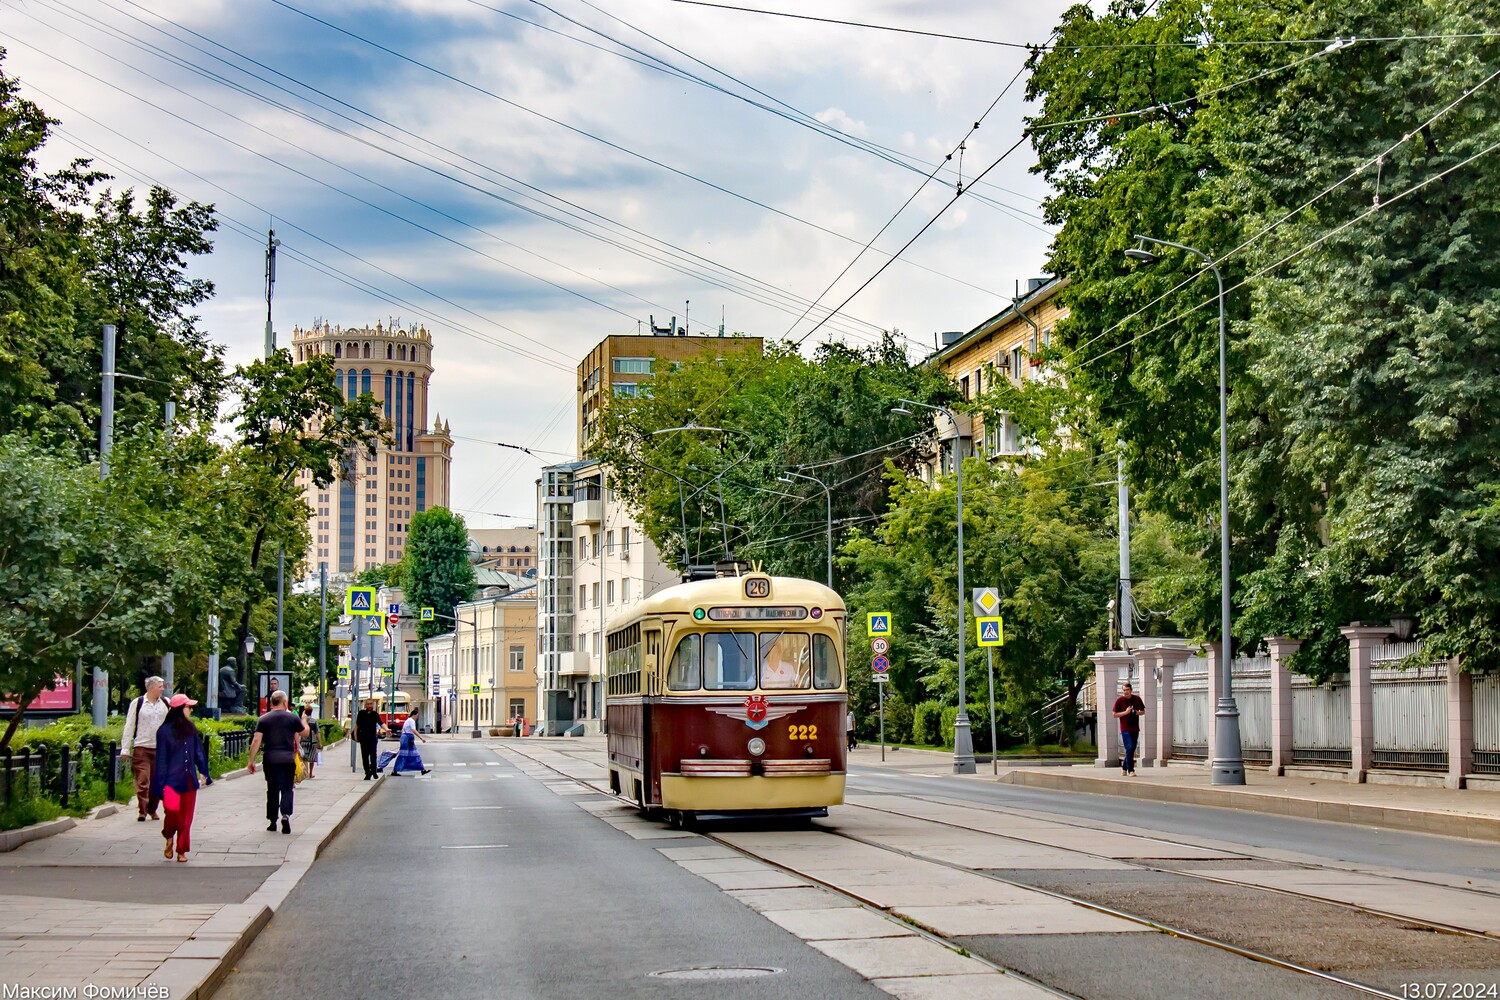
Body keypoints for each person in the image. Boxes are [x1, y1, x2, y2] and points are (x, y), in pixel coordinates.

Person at [150, 694, 212, 862]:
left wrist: (205, 772)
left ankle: (181, 850)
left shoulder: (191, 729)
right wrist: (160, 784)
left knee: (186, 818)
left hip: (189, 779)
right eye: (188, 707)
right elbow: (161, 758)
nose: (191, 710)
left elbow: (199, 752)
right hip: (170, 780)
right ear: (179, 710)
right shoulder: (163, 731)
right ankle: (168, 834)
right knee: (172, 811)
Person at [247, 690, 308, 834]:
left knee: (272, 789)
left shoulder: (263, 719)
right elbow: (304, 733)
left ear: (271, 703)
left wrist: (251, 760)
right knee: (287, 788)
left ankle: (272, 821)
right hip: (287, 759)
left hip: (270, 759)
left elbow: (256, 740)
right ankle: (286, 815)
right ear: (285, 702)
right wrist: (304, 720)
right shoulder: (292, 718)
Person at [119, 676, 168, 822]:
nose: (163, 688)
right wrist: (125, 749)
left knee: (156, 782)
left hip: (160, 749)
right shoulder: (138, 703)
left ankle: (153, 809)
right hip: (142, 748)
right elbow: (129, 725)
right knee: (143, 780)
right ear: (151, 687)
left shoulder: (166, 703)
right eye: (160, 686)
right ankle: (142, 810)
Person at [1113, 681, 1147, 776]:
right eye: (1124, 690)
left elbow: (1143, 711)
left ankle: (1124, 767)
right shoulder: (1119, 700)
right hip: (1125, 728)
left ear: (1131, 690)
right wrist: (1126, 712)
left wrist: (1137, 712)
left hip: (1135, 728)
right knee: (1129, 747)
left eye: (1127, 690)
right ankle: (1131, 770)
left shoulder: (1137, 699)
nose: (1125, 692)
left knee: (1131, 749)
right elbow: (1115, 714)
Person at [391, 711, 430, 776]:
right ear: (413, 715)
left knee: (414, 754)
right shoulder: (411, 721)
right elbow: (413, 730)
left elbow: (404, 730)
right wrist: (421, 738)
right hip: (407, 738)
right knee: (404, 754)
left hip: (406, 738)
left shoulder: (407, 720)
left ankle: (422, 769)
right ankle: (395, 770)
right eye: (417, 716)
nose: (417, 717)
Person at [354, 698, 386, 780]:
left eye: (371, 704)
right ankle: (367, 773)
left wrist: (387, 729)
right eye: (368, 704)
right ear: (365, 705)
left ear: (373, 705)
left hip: (372, 738)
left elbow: (381, 723)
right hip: (363, 738)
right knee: (364, 756)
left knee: (373, 756)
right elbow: (357, 725)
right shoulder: (361, 713)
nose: (369, 706)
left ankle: (374, 772)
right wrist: (355, 735)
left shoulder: (375, 714)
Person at [299, 707, 323, 779]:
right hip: (312, 742)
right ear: (311, 712)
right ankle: (310, 773)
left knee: (303, 757)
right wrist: (320, 742)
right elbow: (317, 732)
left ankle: (304, 772)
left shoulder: (301, 721)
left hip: (303, 741)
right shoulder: (313, 721)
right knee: (311, 758)